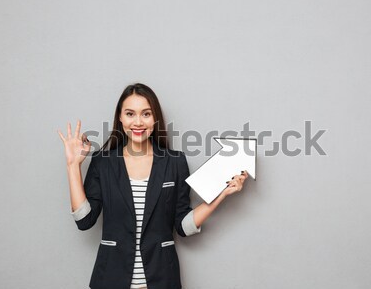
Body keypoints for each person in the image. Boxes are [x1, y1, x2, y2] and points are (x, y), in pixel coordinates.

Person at [57, 83, 248, 289]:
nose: (138, 122)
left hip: (162, 279)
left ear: (155, 118)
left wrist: (221, 194)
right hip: (111, 279)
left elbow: (183, 226)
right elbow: (84, 221)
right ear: (120, 118)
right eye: (130, 114)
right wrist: (73, 166)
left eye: (146, 114)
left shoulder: (174, 162)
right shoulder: (103, 162)